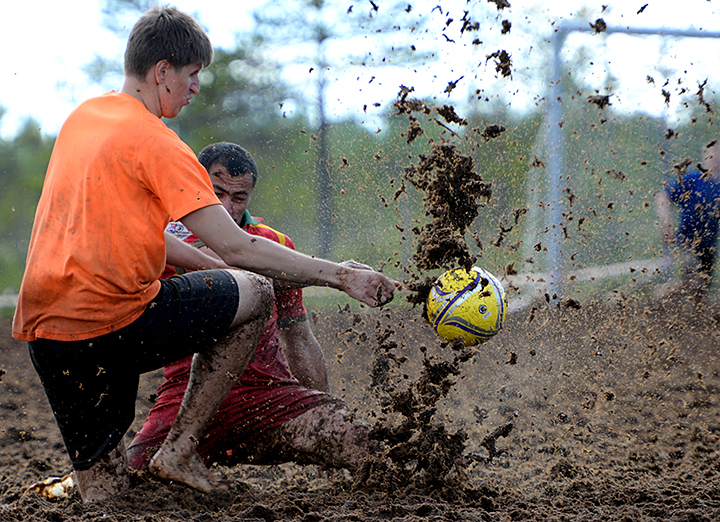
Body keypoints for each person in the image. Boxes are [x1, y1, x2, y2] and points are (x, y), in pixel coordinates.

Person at [12, 7, 398, 503]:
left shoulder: (83, 119)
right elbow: (238, 245)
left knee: (107, 498)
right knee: (255, 290)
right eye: (193, 75)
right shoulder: (158, 142)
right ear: (163, 71)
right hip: (112, 324)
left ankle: (134, 472)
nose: (196, 88)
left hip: (49, 333)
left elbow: (141, 237)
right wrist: (342, 277)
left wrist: (217, 270)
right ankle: (181, 448)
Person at [127, 142, 377, 472]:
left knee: (368, 448)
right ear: (197, 186)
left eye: (238, 197)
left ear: (250, 196)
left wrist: (323, 403)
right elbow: (223, 263)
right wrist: (329, 274)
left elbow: (298, 337)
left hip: (269, 399)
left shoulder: (275, 246)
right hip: (185, 404)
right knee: (127, 480)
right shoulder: (161, 240)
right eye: (217, 194)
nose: (227, 207)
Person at [655, 139, 720, 305]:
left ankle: (696, 322)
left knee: (702, 288)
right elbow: (663, 197)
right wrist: (667, 223)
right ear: (705, 156)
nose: (715, 158)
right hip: (687, 241)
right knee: (694, 281)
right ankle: (658, 299)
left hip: (708, 244)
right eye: (712, 154)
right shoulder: (693, 179)